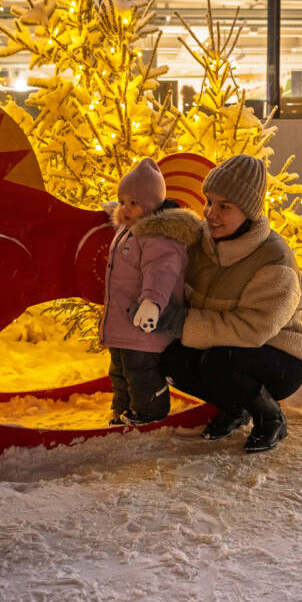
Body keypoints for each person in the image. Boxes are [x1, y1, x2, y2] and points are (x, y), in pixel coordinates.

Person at [161, 154, 302, 453]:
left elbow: (253, 329)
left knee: (219, 363)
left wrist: (183, 322)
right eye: (209, 201)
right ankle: (236, 406)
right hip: (226, 346)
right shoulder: (200, 243)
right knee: (172, 360)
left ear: (247, 211)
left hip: (282, 354)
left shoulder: (274, 260)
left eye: (225, 206)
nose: (210, 213)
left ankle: (270, 418)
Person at [100, 158, 202, 425]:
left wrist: (152, 303)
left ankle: (150, 410)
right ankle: (122, 408)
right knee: (120, 370)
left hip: (143, 324)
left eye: (134, 203)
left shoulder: (159, 236)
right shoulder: (130, 228)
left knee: (141, 370)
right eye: (122, 201)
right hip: (123, 324)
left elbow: (162, 271)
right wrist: (116, 210)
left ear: (152, 206)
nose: (125, 209)